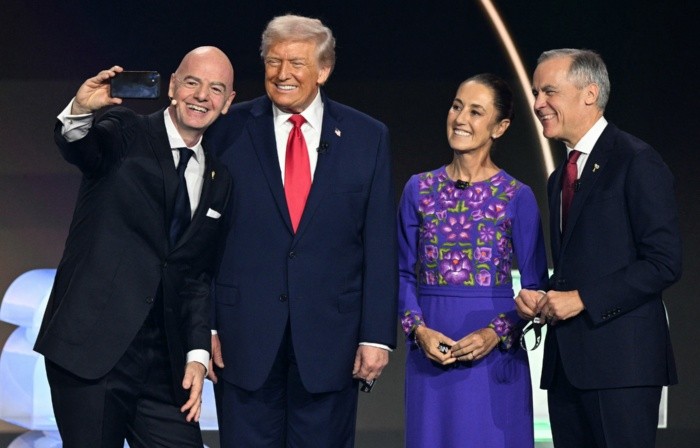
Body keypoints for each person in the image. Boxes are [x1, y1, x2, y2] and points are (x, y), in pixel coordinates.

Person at [204, 14, 398, 448]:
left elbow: (380, 244)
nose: (282, 74)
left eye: (296, 63)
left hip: (332, 339)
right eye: (273, 61)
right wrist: (207, 325)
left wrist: (376, 335)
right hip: (242, 337)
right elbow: (204, 238)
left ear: (323, 70)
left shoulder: (367, 137)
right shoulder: (227, 129)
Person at [33, 46, 236, 447]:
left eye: (216, 89)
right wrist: (80, 110)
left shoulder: (220, 178)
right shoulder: (125, 130)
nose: (202, 96)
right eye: (192, 82)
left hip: (164, 365)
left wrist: (197, 355)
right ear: (173, 86)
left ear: (228, 102)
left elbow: (197, 276)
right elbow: (80, 147)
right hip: (92, 353)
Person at [517, 48, 682, 447]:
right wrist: (545, 298)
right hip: (566, 368)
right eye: (536, 93)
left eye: (549, 91)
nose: (538, 103)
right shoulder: (559, 176)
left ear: (589, 94)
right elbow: (580, 263)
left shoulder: (636, 160)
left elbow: (663, 262)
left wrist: (582, 299)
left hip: (622, 368)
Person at [398, 73, 549, 447]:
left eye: (475, 112)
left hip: (493, 356)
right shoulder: (418, 189)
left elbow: (535, 289)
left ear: (500, 127)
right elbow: (400, 272)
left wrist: (494, 333)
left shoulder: (517, 196)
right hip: (430, 353)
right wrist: (418, 330)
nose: (460, 118)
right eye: (456, 107)